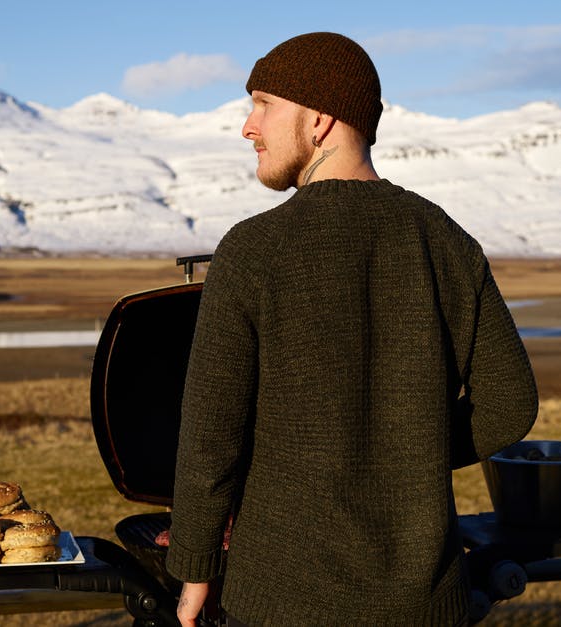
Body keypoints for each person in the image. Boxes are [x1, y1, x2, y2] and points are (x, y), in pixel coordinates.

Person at [164, 32, 538, 626]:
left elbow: (211, 435)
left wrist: (195, 568)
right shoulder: (445, 240)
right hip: (425, 605)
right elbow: (510, 403)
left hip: (277, 603)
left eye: (263, 103)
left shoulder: (252, 251)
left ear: (319, 119)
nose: (247, 126)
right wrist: (404, 452)